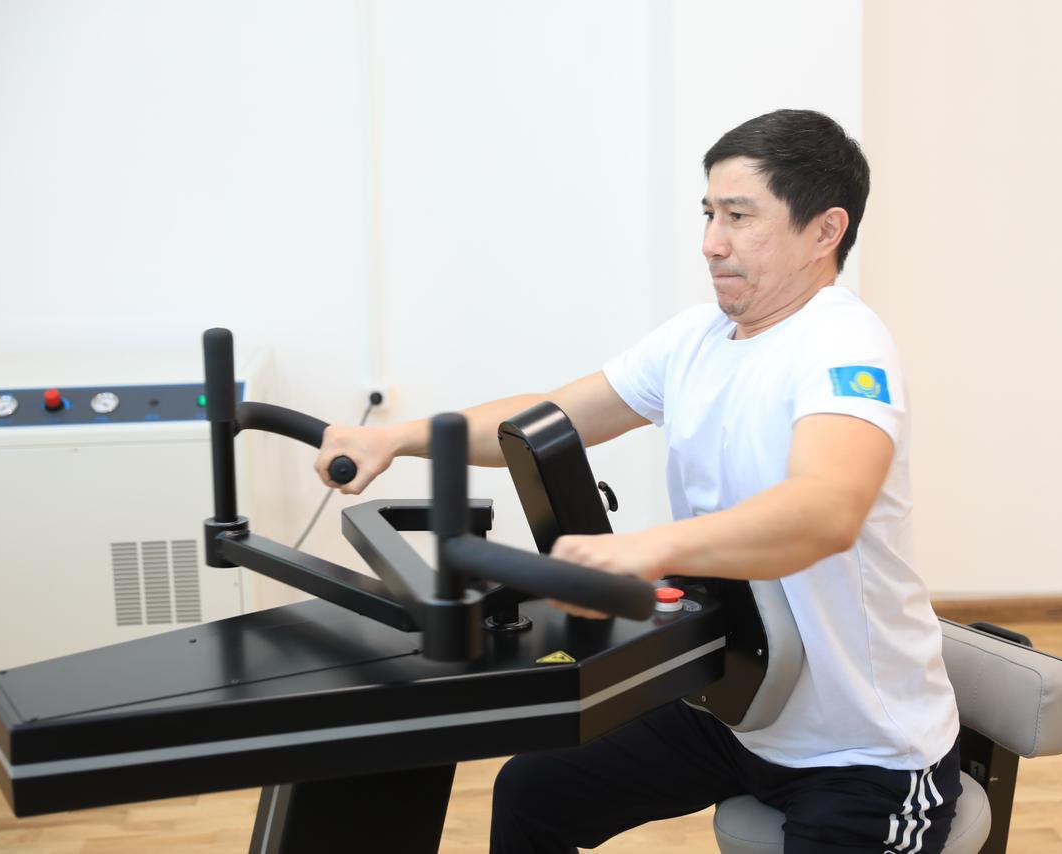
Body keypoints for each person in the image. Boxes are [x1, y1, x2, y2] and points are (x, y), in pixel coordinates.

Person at [315, 109, 960, 854]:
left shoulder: (844, 346)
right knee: (534, 790)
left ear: (825, 231)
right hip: (736, 715)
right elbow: (546, 418)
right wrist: (395, 437)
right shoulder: (696, 339)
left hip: (862, 755)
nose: (712, 241)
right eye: (709, 213)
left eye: (740, 216)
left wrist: (649, 549)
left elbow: (826, 509)